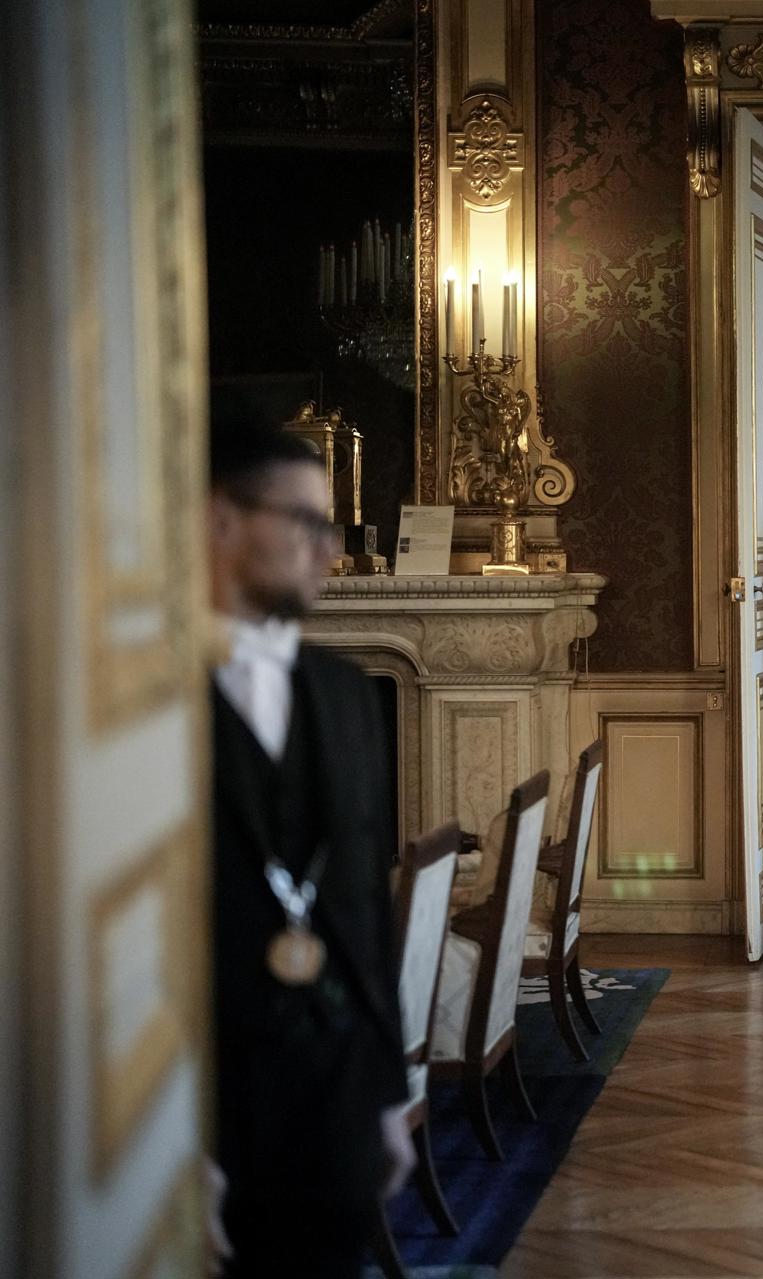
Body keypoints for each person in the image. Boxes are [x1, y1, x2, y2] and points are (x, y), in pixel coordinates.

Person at [206, 421, 413, 1275]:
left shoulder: (341, 691)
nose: (327, 552)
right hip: (212, 1105)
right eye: (304, 524)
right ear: (222, 520)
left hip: (336, 1097)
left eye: (330, 528)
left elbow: (363, 899)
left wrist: (389, 1098)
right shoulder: (138, 702)